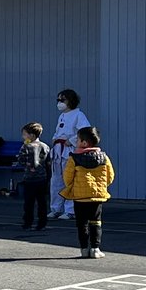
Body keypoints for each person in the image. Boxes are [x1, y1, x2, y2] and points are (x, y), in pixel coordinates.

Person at [61, 126, 115, 259]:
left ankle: (84, 249)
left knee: (81, 223)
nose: (76, 142)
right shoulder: (104, 157)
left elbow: (67, 177)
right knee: (96, 222)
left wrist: (73, 187)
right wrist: (102, 186)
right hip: (97, 197)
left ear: (84, 143)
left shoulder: (74, 158)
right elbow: (110, 176)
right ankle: (96, 249)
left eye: (78, 140)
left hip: (80, 197)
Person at [49, 89, 91, 219]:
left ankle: (70, 210)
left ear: (71, 101)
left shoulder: (79, 115)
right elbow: (58, 131)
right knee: (56, 181)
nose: (60, 103)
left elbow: (85, 131)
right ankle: (56, 208)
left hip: (69, 150)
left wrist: (71, 140)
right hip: (58, 150)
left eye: (62, 100)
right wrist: (55, 138)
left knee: (70, 179)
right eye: (58, 100)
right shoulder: (61, 116)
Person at [16, 122, 52, 231]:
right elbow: (48, 163)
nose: (23, 137)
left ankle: (28, 222)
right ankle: (42, 223)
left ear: (31, 135)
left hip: (29, 178)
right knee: (42, 202)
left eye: (25, 134)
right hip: (42, 178)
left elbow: (21, 161)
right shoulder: (45, 146)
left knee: (29, 203)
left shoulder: (26, 146)